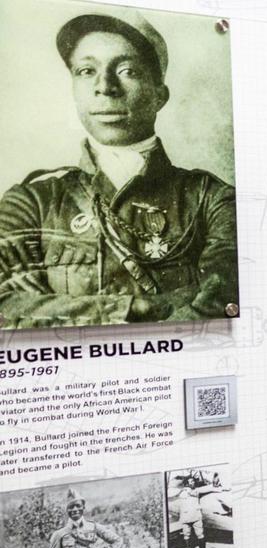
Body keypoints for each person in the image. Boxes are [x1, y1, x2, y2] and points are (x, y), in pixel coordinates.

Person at [0, 9, 237, 328]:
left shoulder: (211, 198)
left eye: (127, 71)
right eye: (86, 70)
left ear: (159, 96)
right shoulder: (33, 201)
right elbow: (5, 304)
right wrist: (124, 311)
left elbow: (226, 297)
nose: (105, 86)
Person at [169, 477, 208, 548]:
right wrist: (183, 489)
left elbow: (205, 489)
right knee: (186, 536)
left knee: (200, 535)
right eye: (189, 482)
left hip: (196, 516)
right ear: (186, 483)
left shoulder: (196, 491)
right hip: (186, 517)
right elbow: (170, 492)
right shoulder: (181, 492)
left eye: (193, 481)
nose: (192, 483)